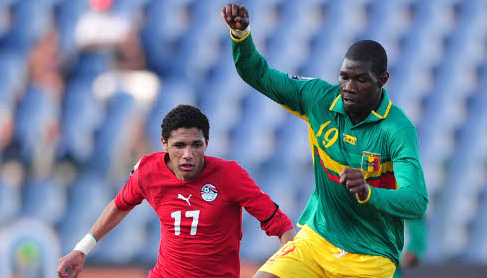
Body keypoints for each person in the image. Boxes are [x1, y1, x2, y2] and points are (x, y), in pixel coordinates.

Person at [221, 4, 428, 278]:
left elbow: (416, 201)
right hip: (317, 241)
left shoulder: (397, 130)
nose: (349, 88)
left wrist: (368, 192)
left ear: (383, 80)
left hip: (371, 257)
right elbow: (258, 75)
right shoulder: (318, 98)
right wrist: (241, 35)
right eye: (344, 76)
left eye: (361, 80)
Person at [57, 104, 296, 278]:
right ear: (164, 144)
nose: (188, 155)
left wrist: (282, 269)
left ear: (207, 144)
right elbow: (120, 205)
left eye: (196, 145)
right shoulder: (148, 171)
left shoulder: (230, 176)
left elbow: (281, 226)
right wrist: (82, 249)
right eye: (179, 146)